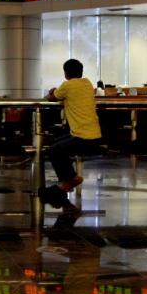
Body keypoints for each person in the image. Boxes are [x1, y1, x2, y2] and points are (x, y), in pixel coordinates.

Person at [46, 58, 102, 194]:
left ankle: (70, 179)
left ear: (65, 73)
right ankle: (68, 178)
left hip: (82, 138)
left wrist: (52, 91)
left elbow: (52, 97)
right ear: (81, 72)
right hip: (95, 135)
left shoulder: (67, 85)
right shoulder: (87, 83)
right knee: (56, 143)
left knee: (52, 150)